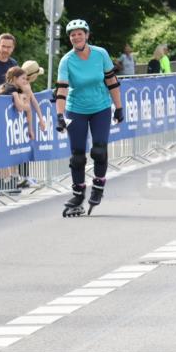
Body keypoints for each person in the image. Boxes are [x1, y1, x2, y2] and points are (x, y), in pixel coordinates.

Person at [54, 19, 124, 216]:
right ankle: (77, 194)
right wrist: (59, 115)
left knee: (99, 150)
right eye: (72, 35)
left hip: (100, 107)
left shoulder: (100, 54)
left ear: (87, 35)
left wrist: (119, 107)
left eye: (79, 33)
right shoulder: (67, 60)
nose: (76, 37)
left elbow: (111, 80)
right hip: (76, 109)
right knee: (77, 156)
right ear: (70, 39)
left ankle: (98, 186)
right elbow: (61, 89)